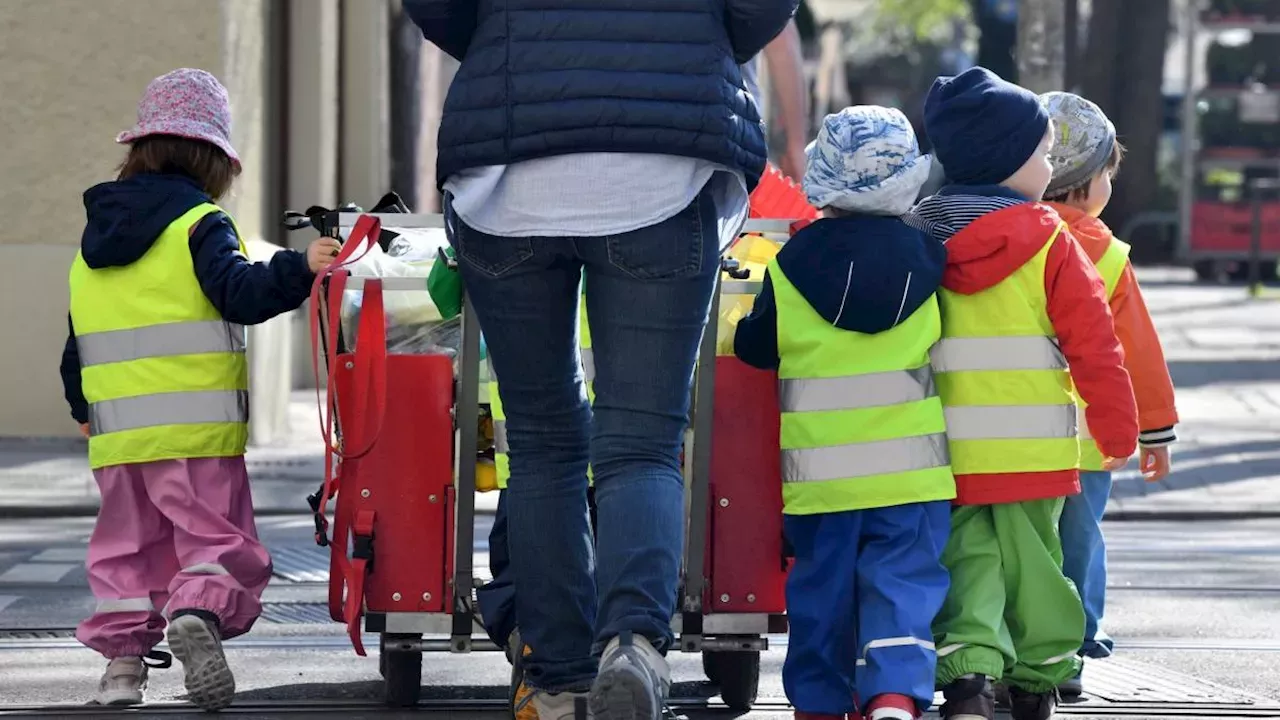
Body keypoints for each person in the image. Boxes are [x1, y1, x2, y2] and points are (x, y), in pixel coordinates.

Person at [403, 1, 798, 718]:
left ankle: (556, 675)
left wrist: (499, 36)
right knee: (642, 442)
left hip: (506, 172)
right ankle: (634, 645)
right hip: (664, 166)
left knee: (543, 441)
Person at [59, 68, 339, 711]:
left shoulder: (93, 239)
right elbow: (237, 294)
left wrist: (83, 409)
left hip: (116, 434)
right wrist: (301, 267)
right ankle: (196, 613)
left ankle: (122, 672)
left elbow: (77, 337)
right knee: (214, 541)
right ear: (213, 159)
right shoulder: (199, 222)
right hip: (195, 430)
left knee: (125, 553)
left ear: (140, 150)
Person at [909, 67, 1139, 720]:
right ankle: (1039, 676)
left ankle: (968, 676)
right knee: (1039, 565)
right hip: (1033, 452)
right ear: (1012, 163)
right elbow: (1096, 345)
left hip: (944, 451)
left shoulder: (921, 236)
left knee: (970, 565)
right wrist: (1117, 427)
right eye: (1042, 151)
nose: (1050, 163)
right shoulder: (1052, 243)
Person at [734, 106, 956, 720]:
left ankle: (821, 702)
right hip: (912, 474)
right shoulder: (931, 262)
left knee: (821, 596)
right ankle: (892, 693)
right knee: (903, 585)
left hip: (822, 479)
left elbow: (757, 348)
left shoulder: (790, 265)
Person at [1039, 91, 1179, 697]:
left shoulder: (1010, 239)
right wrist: (1155, 431)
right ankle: (1081, 632)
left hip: (1010, 432)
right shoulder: (1109, 255)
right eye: (1107, 175)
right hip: (1092, 438)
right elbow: (1137, 353)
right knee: (1081, 537)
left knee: (1026, 538)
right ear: (1087, 184)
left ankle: (1025, 637)